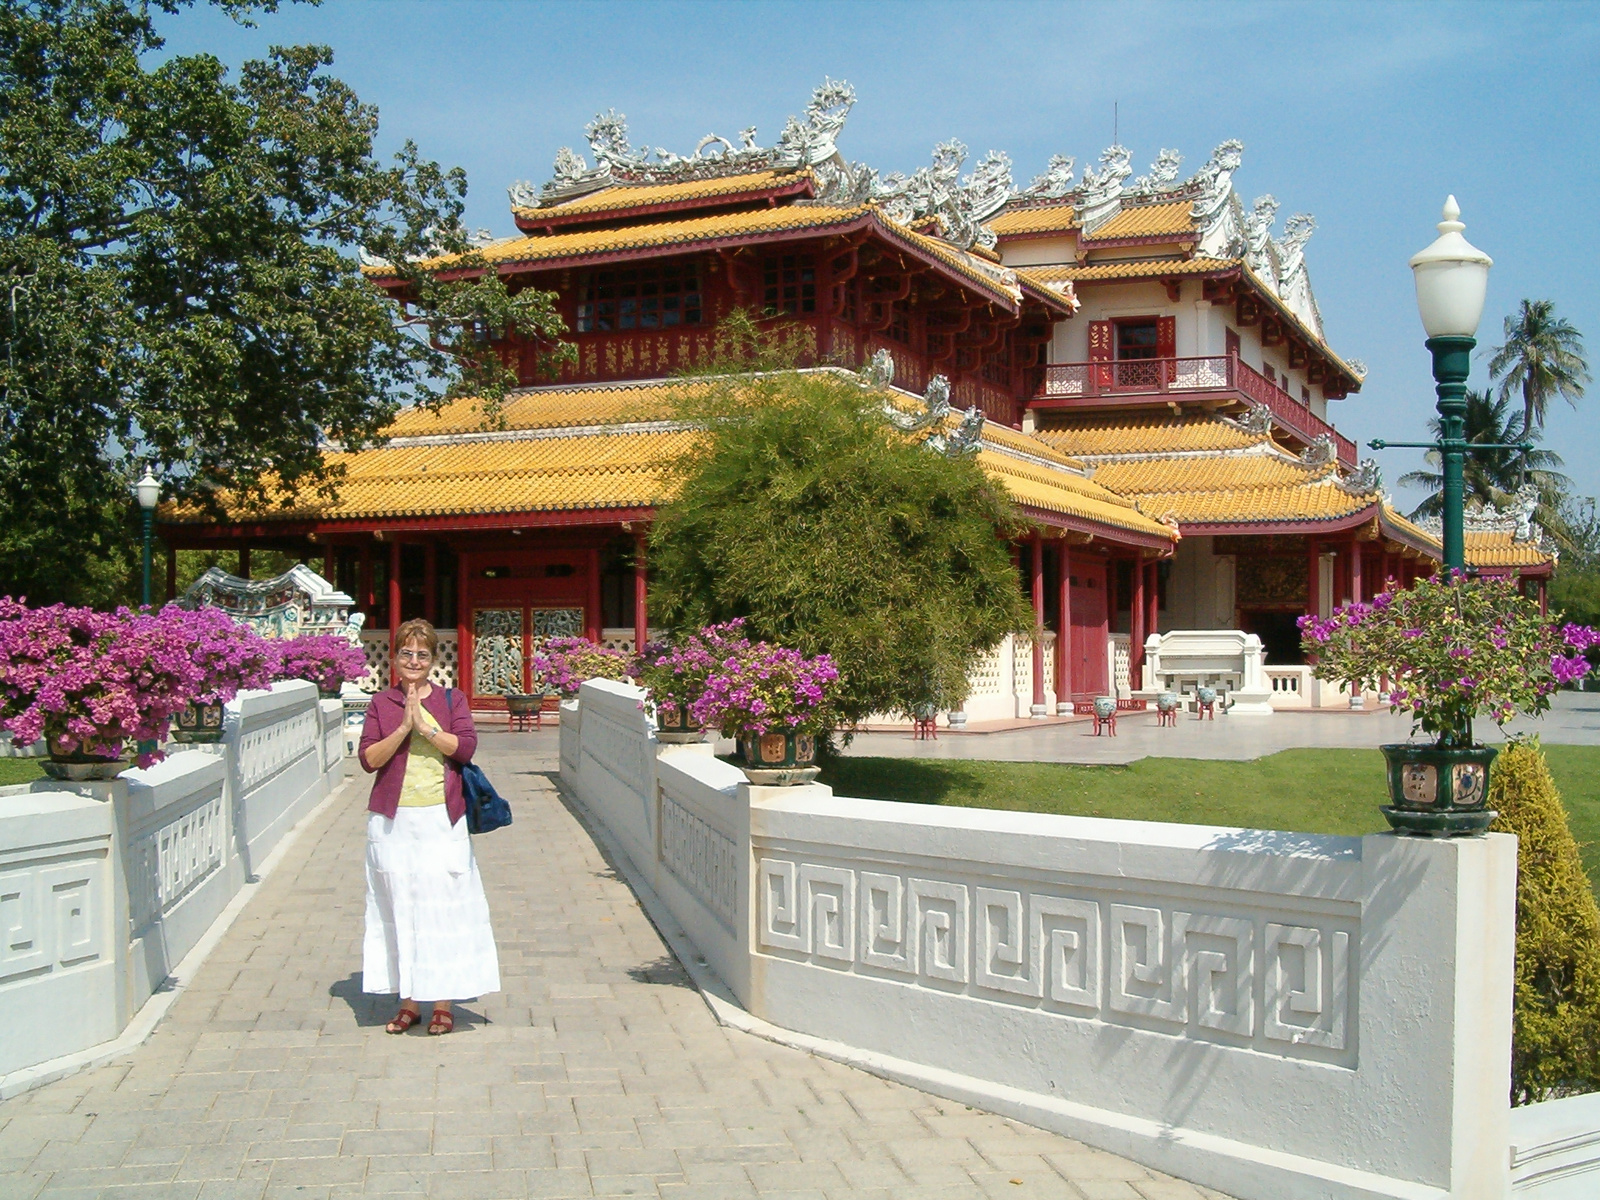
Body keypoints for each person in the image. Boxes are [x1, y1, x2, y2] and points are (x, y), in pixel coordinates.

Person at [358, 618, 499, 1034]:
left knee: (443, 908)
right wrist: (403, 727)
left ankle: (442, 1001)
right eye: (406, 653)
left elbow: (465, 748)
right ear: (396, 658)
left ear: (432, 658)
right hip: (393, 822)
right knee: (398, 904)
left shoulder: (452, 701)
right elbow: (369, 760)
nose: (413, 660)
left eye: (422, 654)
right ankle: (407, 1000)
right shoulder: (381, 704)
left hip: (442, 818)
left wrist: (427, 728)